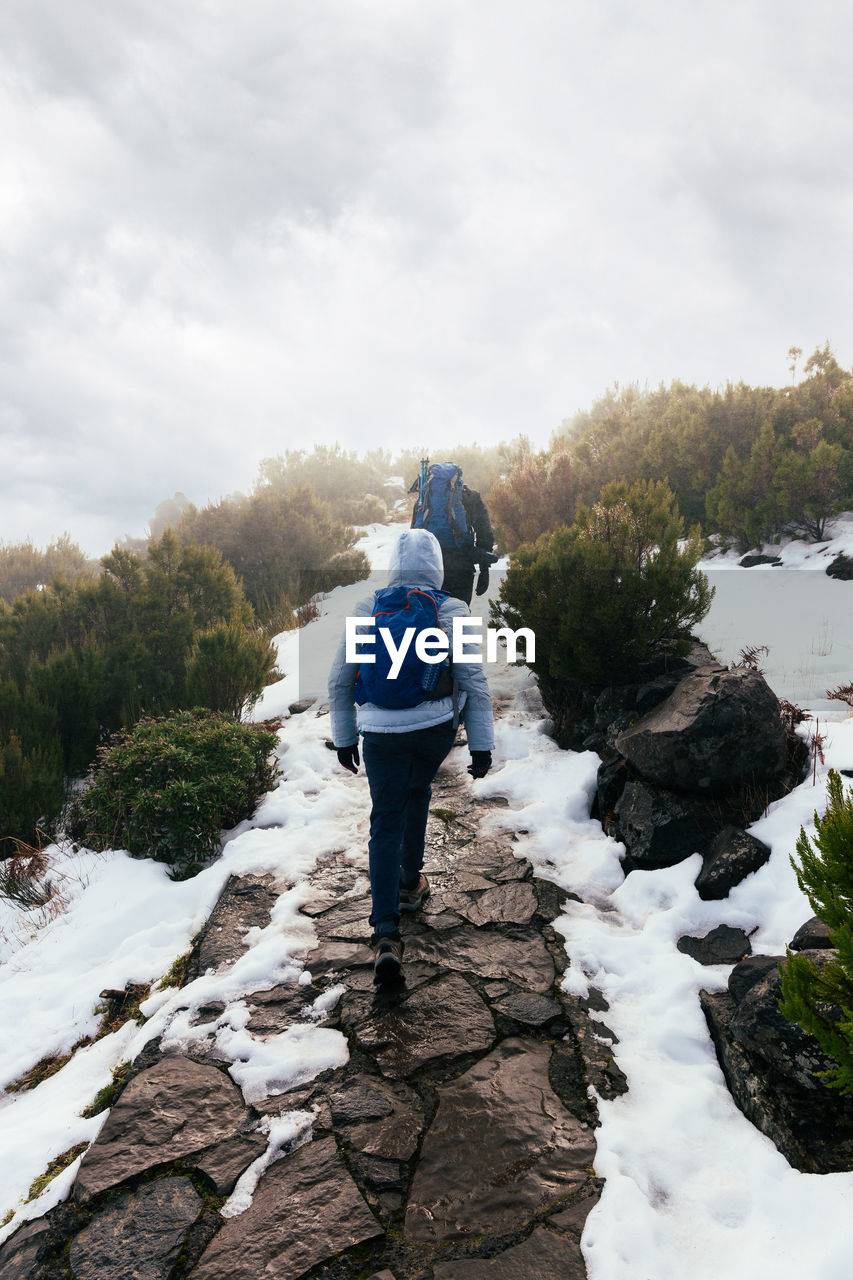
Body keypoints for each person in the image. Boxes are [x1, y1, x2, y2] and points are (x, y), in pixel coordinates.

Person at [328, 528, 495, 982]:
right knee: (418, 790)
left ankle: (385, 933)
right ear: (437, 567)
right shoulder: (450, 608)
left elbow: (340, 681)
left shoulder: (369, 608)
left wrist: (345, 737)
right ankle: (409, 881)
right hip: (434, 728)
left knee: (385, 817)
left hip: (379, 731)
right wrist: (481, 746)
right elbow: (473, 682)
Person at [410, 463, 496, 605]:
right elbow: (484, 535)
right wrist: (484, 570)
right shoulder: (470, 497)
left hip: (429, 568)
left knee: (430, 617)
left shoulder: (423, 501)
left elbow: (412, 539)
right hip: (461, 568)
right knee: (458, 618)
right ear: (457, 478)